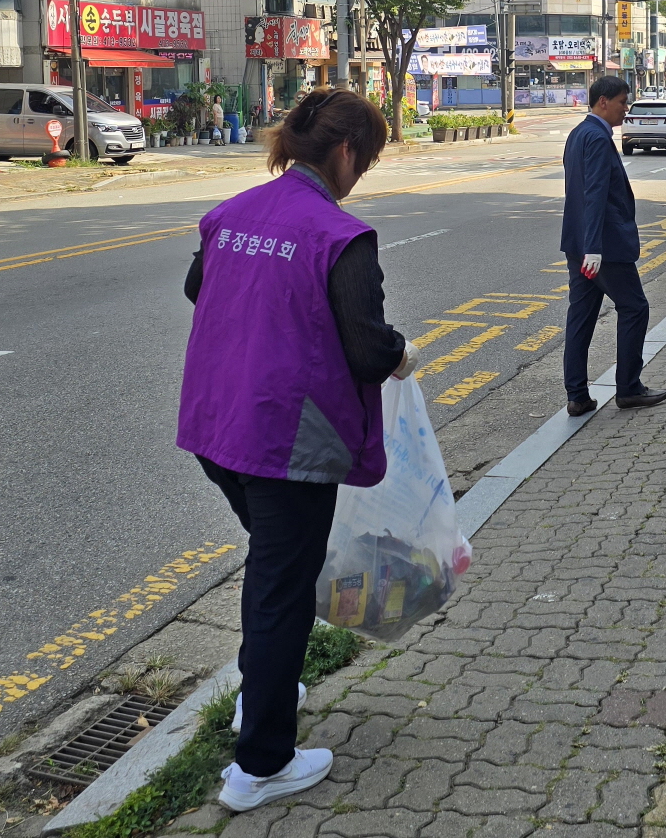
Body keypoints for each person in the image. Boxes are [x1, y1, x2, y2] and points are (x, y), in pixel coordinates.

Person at [177, 88, 419, 812]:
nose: (361, 174)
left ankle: (265, 696)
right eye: (365, 159)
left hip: (217, 424)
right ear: (345, 151)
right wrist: (403, 355)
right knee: (281, 590)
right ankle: (262, 762)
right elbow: (366, 347)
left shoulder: (233, 215)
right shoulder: (339, 235)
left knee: (274, 570)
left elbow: (199, 288)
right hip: (286, 439)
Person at [560, 75, 666, 415]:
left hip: (579, 241)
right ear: (603, 101)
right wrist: (594, 247)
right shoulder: (594, 136)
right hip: (602, 246)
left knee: (581, 315)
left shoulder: (579, 133)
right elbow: (593, 194)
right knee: (635, 307)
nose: (627, 109)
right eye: (623, 102)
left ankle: (577, 396)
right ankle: (629, 387)